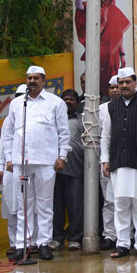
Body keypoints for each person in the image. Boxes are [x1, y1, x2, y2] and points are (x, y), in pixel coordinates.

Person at [0, 65, 71, 262]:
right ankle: (22, 244)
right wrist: (9, 157)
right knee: (24, 204)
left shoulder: (55, 103)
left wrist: (62, 156)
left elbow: (64, 132)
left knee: (45, 204)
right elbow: (9, 134)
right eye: (29, 78)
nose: (32, 81)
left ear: (44, 80)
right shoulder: (17, 104)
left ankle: (44, 243)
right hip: (22, 161)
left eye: (36, 78)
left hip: (46, 161)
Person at [101, 68, 137, 259]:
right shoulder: (111, 106)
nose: (124, 86)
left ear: (135, 83)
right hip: (118, 162)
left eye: (128, 82)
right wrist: (105, 160)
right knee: (120, 204)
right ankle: (123, 244)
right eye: (121, 82)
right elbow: (106, 136)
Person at [74, 0, 131, 99]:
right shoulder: (93, 6)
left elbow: (119, 35)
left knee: (112, 86)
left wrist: (123, 55)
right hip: (96, 54)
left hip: (112, 56)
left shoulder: (115, 10)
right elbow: (78, 6)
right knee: (95, 85)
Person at [0, 84, 28, 260]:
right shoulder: (9, 119)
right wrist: (1, 166)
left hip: (29, 167)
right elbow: (4, 143)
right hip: (11, 168)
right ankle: (14, 243)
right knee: (12, 207)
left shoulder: (33, 118)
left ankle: (30, 242)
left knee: (29, 205)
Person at [53, 89, 85, 252]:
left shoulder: (83, 121)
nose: (68, 102)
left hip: (75, 169)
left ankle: (75, 238)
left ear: (77, 102)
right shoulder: (54, 121)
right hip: (55, 171)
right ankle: (57, 238)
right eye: (65, 99)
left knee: (76, 207)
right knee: (56, 207)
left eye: (71, 99)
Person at [97, 79, 121, 251]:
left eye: (117, 87)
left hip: (126, 160)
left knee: (127, 200)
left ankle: (127, 235)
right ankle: (109, 235)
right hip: (106, 160)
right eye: (111, 87)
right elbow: (101, 136)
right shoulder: (102, 109)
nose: (115, 90)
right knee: (109, 201)